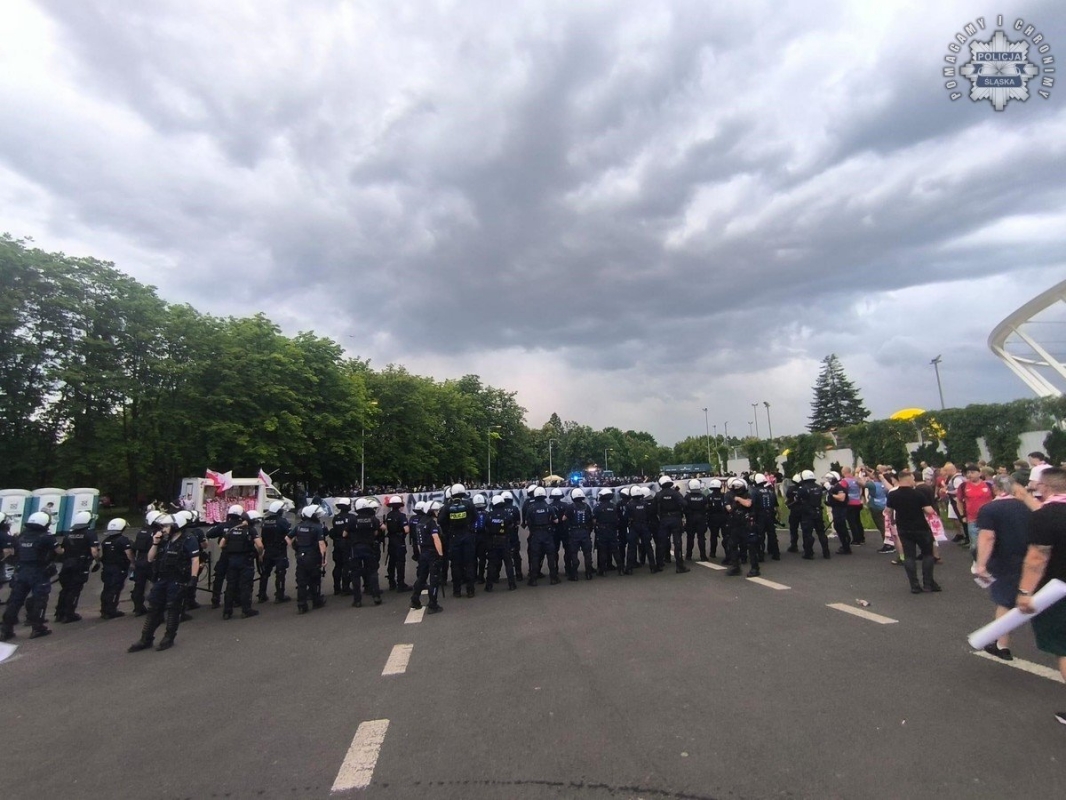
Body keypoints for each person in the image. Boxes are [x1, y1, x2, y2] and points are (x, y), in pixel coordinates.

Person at [1011, 467, 1066, 724]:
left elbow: (1037, 558)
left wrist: (1024, 592)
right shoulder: (1046, 513)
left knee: (1064, 649)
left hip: (1057, 593)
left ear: (1045, 488)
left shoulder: (1046, 517)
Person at [973, 475, 1031, 660]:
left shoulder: (990, 509)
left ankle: (1002, 644)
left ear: (996, 489)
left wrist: (981, 565)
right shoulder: (1030, 505)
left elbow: (987, 537)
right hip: (1031, 557)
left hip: (1004, 560)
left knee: (1005, 603)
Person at [127, 514, 200, 652]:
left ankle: (169, 637)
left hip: (178, 579)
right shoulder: (164, 540)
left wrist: (193, 578)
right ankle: (145, 639)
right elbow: (150, 558)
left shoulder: (189, 540)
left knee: (173, 608)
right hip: (162, 578)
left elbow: (195, 559)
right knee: (154, 608)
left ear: (177, 526)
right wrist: (155, 543)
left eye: (167, 526)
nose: (164, 529)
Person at [1, 512, 62, 641]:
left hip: (21, 571)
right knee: (40, 599)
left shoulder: (23, 535)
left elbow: (14, 552)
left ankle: (6, 629)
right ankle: (37, 627)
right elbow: (59, 552)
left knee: (15, 601)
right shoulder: (46, 536)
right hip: (38, 572)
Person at [885, 470, 940, 594]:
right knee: (927, 554)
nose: (914, 480)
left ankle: (914, 585)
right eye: (913, 478)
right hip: (921, 527)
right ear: (908, 479)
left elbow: (888, 510)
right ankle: (928, 583)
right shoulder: (918, 494)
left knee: (909, 556)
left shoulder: (893, 495)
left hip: (903, 527)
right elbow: (929, 511)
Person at [55, 511, 99, 624]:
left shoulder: (69, 534)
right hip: (80, 564)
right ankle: (69, 614)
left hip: (67, 564)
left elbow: (62, 550)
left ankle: (59, 613)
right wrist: (97, 561)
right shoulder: (90, 533)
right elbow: (94, 551)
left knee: (65, 589)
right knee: (75, 589)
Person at [219, 510, 263, 620]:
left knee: (230, 586)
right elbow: (260, 545)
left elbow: (221, 544)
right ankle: (246, 610)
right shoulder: (250, 530)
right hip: (245, 560)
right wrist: (259, 553)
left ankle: (227, 612)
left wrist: (230, 550)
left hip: (232, 560)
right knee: (246, 586)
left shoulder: (231, 530)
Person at [286, 504, 328, 614]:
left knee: (301, 581)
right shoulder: (317, 527)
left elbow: (287, 538)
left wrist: (295, 547)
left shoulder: (299, 526)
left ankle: (301, 605)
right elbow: (321, 544)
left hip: (301, 556)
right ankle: (316, 601)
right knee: (315, 579)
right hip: (313, 556)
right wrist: (323, 559)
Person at [441, 484, 478, 598]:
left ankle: (456, 591)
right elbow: (475, 517)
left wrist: (449, 530)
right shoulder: (468, 504)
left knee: (456, 565)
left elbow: (441, 521)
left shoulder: (447, 507)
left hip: (454, 537)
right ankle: (470, 590)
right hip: (467, 536)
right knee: (469, 563)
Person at [348, 497, 385, 607]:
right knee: (372, 572)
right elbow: (380, 529)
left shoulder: (353, 520)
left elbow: (345, 534)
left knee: (355, 574)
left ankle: (357, 600)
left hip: (356, 548)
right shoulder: (373, 519)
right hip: (369, 547)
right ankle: (376, 596)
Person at [410, 501, 444, 614]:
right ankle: (433, 604)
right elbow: (436, 539)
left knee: (422, 578)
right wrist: (440, 554)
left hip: (423, 552)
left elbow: (419, 542)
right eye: (436, 510)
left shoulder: (420, 523)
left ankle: (415, 599)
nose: (437, 512)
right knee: (434, 579)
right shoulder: (431, 523)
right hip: (432, 552)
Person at [258, 501, 292, 603]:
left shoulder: (265, 521)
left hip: (268, 550)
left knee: (265, 573)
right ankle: (280, 595)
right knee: (280, 572)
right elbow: (289, 534)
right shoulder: (282, 521)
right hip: (279, 550)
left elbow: (263, 537)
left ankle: (261, 594)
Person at [525, 487, 560, 586]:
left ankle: (533, 579)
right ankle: (553, 578)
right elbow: (556, 520)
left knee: (535, 556)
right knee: (551, 556)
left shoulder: (531, 508)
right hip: (547, 534)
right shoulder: (549, 507)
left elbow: (527, 522)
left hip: (535, 534)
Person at [99, 518, 133, 619]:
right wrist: (133, 563)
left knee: (106, 588)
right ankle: (111, 610)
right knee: (115, 588)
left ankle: (104, 609)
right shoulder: (123, 540)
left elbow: (100, 554)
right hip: (118, 568)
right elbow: (129, 554)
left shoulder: (106, 541)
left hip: (107, 568)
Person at [653, 475, 688, 574]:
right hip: (675, 519)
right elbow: (684, 504)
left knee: (661, 543)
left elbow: (653, 509)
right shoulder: (675, 493)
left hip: (664, 520)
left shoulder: (658, 495)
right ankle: (679, 566)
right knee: (677, 543)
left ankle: (659, 565)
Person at [725, 478, 759, 577]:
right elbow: (729, 509)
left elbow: (748, 504)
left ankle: (755, 568)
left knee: (751, 546)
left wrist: (738, 499)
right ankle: (736, 567)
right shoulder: (729, 495)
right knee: (732, 545)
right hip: (735, 524)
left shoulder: (748, 494)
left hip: (747, 523)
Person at [129, 510, 160, 616]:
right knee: (157, 584)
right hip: (152, 560)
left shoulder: (141, 532)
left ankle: (138, 608)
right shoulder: (156, 533)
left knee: (139, 586)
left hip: (140, 560)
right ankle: (155, 607)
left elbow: (135, 547)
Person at [958, 463, 994, 555]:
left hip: (989, 518)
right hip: (972, 519)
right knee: (975, 545)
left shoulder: (988, 485)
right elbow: (959, 501)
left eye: (972, 472)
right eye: (968, 473)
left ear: (979, 473)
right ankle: (977, 562)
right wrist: (962, 515)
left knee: (991, 542)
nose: (970, 475)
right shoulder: (963, 486)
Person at [484, 496, 517, 591]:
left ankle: (489, 586)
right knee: (508, 563)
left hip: (494, 541)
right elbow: (511, 526)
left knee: (491, 564)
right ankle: (512, 584)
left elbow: (486, 528)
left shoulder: (489, 515)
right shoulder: (507, 514)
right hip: (505, 541)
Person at [796, 470, 830, 560]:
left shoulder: (803, 488)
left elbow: (797, 499)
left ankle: (808, 553)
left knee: (807, 534)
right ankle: (826, 552)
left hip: (807, 513)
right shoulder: (818, 487)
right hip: (818, 511)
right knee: (821, 532)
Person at [563, 488, 595, 581]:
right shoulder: (587, 506)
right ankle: (589, 573)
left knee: (574, 553)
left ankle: (574, 575)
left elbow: (564, 519)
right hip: (585, 532)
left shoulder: (570, 507)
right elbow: (591, 520)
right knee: (587, 554)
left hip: (574, 532)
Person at [384, 495, 411, 592]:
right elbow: (406, 530)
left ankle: (392, 583)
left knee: (392, 561)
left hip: (391, 541)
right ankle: (401, 584)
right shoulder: (401, 516)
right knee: (400, 562)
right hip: (399, 541)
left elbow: (387, 528)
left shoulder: (389, 515)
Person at [625, 487, 654, 574]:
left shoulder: (629, 505)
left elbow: (626, 516)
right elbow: (649, 515)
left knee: (631, 548)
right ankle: (653, 566)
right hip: (644, 526)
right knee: (648, 547)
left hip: (634, 526)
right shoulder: (645, 504)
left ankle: (629, 568)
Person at [593, 488, 622, 575]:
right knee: (615, 550)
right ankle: (620, 569)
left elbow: (594, 520)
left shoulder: (598, 507)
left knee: (602, 550)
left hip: (602, 530)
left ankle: (603, 570)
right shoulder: (614, 506)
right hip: (612, 530)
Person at [752, 473, 780, 561]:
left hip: (760, 516)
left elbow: (752, 504)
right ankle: (776, 554)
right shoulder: (770, 491)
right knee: (772, 535)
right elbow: (776, 505)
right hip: (770, 515)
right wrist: (778, 515)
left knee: (760, 535)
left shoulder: (755, 492)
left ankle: (760, 555)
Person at [329, 498, 355, 595]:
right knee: (347, 565)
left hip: (337, 543)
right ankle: (346, 587)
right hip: (347, 543)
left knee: (338, 566)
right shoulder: (352, 517)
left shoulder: (336, 518)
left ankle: (336, 587)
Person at [683, 479, 709, 561]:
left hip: (690, 519)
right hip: (701, 518)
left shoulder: (687, 497)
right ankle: (703, 556)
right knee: (701, 537)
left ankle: (688, 555)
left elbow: (684, 507)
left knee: (690, 537)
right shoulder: (703, 497)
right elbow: (707, 508)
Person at [500, 491, 524, 581]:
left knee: (499, 556)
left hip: (502, 535)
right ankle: (518, 574)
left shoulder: (500, 510)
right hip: (513, 534)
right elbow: (518, 522)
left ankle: (495, 576)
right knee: (516, 555)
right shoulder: (515, 509)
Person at [825, 472, 851, 554]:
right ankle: (844, 545)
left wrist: (830, 492)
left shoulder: (839, 487)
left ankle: (846, 546)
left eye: (830, 479)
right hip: (836, 509)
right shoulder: (835, 487)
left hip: (840, 510)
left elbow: (841, 498)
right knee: (838, 527)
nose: (829, 481)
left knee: (841, 527)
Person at [839, 467, 865, 546]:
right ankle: (861, 538)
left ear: (843, 472)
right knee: (858, 521)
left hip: (850, 503)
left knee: (852, 522)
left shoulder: (844, 481)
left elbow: (842, 490)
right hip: (858, 502)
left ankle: (856, 540)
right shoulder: (856, 480)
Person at [705, 479, 729, 560]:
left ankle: (712, 553)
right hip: (724, 517)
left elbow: (706, 508)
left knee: (713, 536)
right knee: (726, 536)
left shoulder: (709, 497)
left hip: (713, 518)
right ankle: (727, 552)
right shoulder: (724, 496)